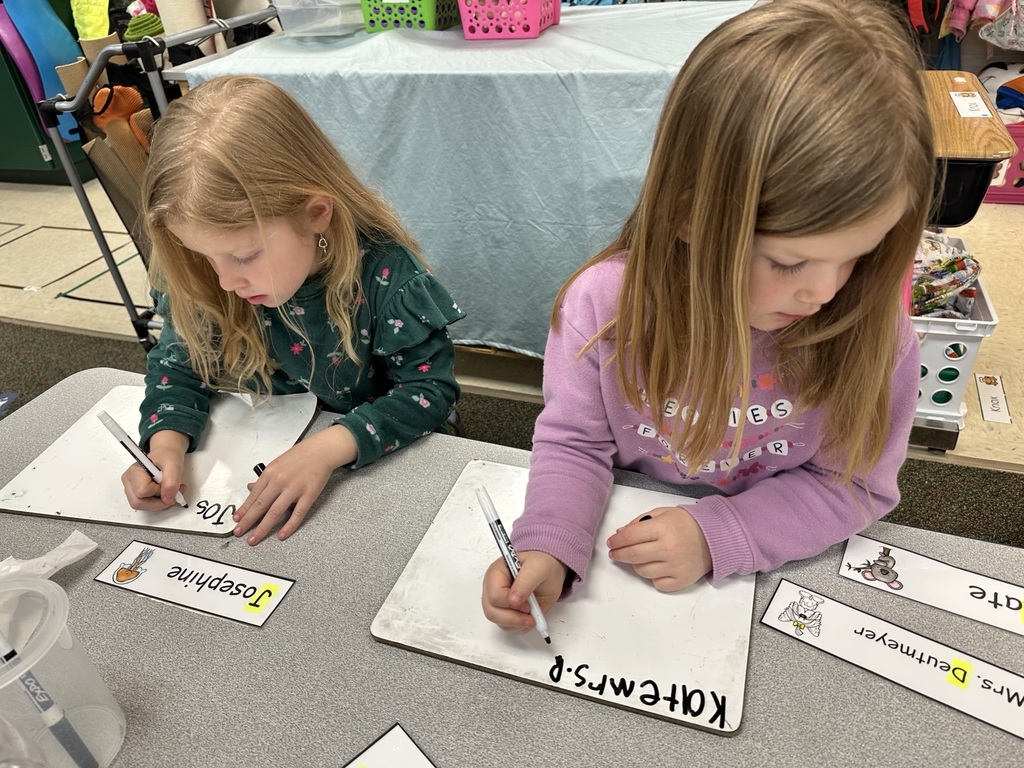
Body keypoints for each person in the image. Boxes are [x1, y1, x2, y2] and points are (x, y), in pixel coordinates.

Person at [482, 0, 935, 632]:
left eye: (858, 257)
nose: (826, 293)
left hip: (765, 583)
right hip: (627, 573)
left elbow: (856, 484)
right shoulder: (603, 306)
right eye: (788, 262)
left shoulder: (876, 330)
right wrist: (550, 537)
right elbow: (574, 440)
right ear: (691, 217)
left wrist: (723, 533)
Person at [121, 75, 465, 545]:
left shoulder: (386, 274)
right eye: (205, 256)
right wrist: (165, 444)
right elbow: (178, 365)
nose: (225, 281)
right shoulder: (205, 272)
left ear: (315, 213)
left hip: (375, 460)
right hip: (264, 443)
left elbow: (428, 392)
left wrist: (325, 450)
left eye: (244, 257)